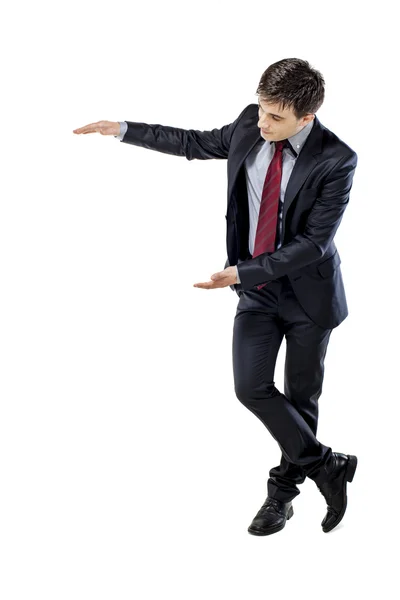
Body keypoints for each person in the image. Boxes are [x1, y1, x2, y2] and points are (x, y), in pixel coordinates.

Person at [73, 57, 358, 536]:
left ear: (306, 118)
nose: (262, 122)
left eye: (276, 117)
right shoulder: (251, 122)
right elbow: (191, 142)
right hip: (256, 293)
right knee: (251, 388)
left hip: (309, 297)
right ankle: (327, 465)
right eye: (262, 110)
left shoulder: (337, 158)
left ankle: (280, 496)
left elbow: (314, 243)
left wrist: (240, 272)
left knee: (301, 399)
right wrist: (122, 128)